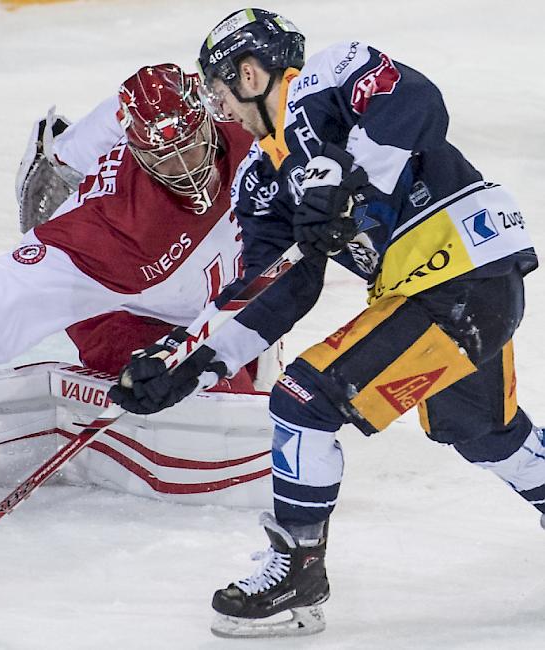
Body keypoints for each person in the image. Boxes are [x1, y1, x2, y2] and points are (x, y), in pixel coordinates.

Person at [109, 8, 545, 638]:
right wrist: (192, 360)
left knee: (303, 402)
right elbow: (275, 290)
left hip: (461, 273)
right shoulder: (263, 182)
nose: (218, 105)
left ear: (251, 72)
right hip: (435, 295)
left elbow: (417, 103)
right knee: (480, 429)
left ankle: (297, 573)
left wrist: (343, 174)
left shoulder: (327, 79)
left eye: (219, 86)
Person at [0, 63, 256, 434]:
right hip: (125, 313)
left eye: (190, 147)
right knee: (225, 405)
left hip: (210, 294)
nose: (184, 169)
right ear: (137, 153)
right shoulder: (117, 229)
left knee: (259, 350)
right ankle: (52, 411)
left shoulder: (241, 117)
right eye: (161, 157)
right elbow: (12, 289)